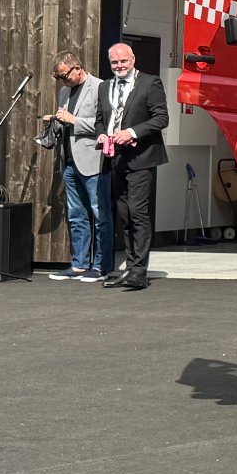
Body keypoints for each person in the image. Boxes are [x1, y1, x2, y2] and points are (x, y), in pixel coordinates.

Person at [96, 43, 167, 291]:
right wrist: (102, 135)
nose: (119, 66)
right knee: (124, 215)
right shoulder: (105, 86)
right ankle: (130, 267)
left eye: (123, 62)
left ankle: (139, 271)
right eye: (115, 63)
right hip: (115, 160)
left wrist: (132, 132)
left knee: (138, 213)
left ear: (133, 59)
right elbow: (100, 120)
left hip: (141, 158)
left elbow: (161, 118)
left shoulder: (150, 83)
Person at [50, 52, 111, 282]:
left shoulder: (99, 87)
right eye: (58, 77)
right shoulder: (65, 91)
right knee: (76, 215)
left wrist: (73, 121)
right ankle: (79, 264)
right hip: (70, 161)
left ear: (78, 68)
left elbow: (105, 125)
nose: (62, 81)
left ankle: (100, 266)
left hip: (93, 160)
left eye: (64, 76)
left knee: (100, 213)